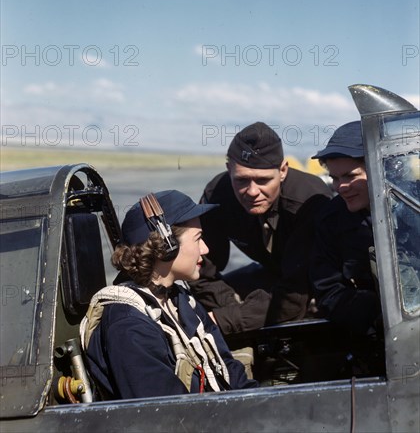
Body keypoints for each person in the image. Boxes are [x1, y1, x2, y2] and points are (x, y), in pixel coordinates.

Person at [80, 190, 257, 400]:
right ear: (167, 247)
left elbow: (228, 368)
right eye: (198, 239)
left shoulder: (181, 301)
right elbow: (165, 413)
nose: (205, 249)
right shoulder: (129, 326)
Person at [189, 122, 332, 335]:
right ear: (229, 170)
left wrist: (226, 319)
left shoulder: (308, 201)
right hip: (270, 275)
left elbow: (293, 297)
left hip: (311, 285)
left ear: (283, 171)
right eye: (242, 180)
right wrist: (230, 305)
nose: (252, 191)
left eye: (263, 180)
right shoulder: (218, 195)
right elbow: (201, 272)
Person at [310, 121, 382, 335]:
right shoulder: (331, 220)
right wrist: (378, 317)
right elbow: (328, 291)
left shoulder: (412, 206)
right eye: (335, 177)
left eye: (350, 176)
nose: (340, 187)